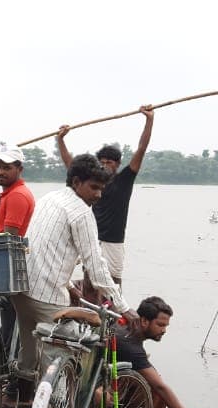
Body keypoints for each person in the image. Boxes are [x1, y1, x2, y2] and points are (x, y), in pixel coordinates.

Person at [5, 153, 130, 408]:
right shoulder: (81, 212)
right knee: (70, 361)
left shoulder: (50, 198)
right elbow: (96, 267)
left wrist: (70, 285)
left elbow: (50, 248)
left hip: (23, 292)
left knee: (28, 356)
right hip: (48, 298)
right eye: (94, 188)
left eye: (102, 189)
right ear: (76, 182)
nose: (98, 195)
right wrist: (124, 307)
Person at [56, 105, 154, 287]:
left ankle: (115, 313)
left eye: (109, 162)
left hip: (114, 240)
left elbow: (141, 149)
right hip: (93, 236)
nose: (105, 165)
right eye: (101, 162)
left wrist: (149, 119)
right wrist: (60, 140)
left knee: (114, 281)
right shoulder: (92, 181)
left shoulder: (125, 178)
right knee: (89, 280)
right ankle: (90, 312)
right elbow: (70, 165)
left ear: (117, 164)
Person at [113, 296, 208, 408]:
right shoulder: (130, 346)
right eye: (160, 325)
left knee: (149, 376)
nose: (164, 330)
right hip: (100, 389)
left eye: (166, 326)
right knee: (155, 388)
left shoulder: (126, 330)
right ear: (144, 321)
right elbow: (160, 387)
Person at [0, 144, 35, 237]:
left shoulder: (17, 195)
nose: (0, 172)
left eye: (7, 168)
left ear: (20, 169)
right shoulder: (12, 193)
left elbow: (9, 241)